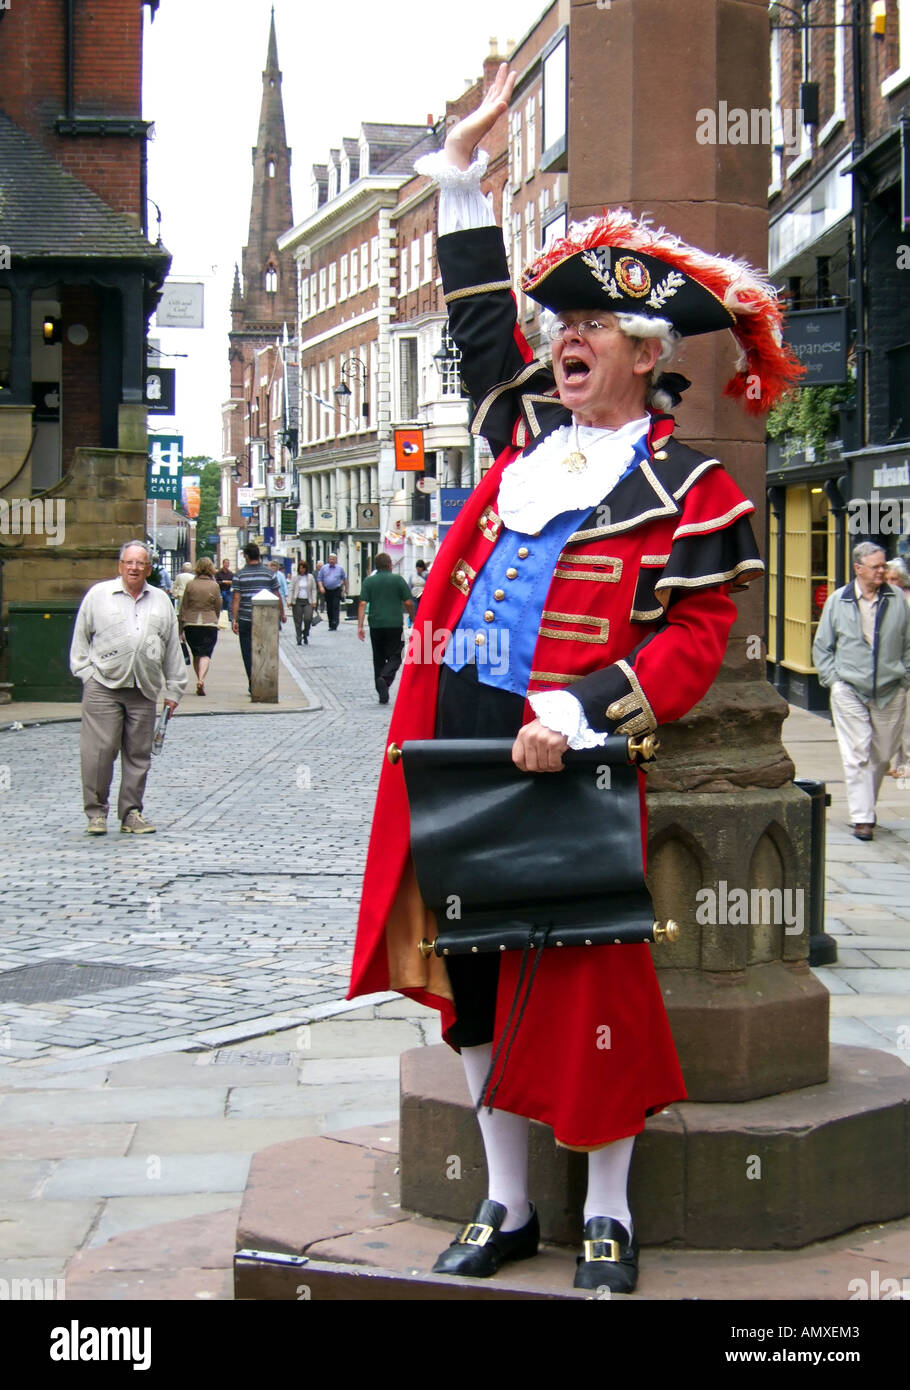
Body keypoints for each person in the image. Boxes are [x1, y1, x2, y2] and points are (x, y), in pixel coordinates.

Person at [347, 66, 802, 1293]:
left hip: (577, 754)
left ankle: (605, 1210)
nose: (563, 346)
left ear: (646, 354)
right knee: (480, 986)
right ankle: (503, 1204)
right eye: (559, 332)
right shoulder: (521, 445)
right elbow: (478, 323)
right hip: (463, 738)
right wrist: (459, 177)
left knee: (589, 985)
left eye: (590, 331)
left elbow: (692, 649)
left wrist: (581, 713)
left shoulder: (690, 491)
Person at [69, 540, 188, 834]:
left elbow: (172, 647)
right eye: (129, 562)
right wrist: (86, 673)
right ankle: (96, 814)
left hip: (144, 688)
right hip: (104, 686)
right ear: (120, 566)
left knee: (138, 755)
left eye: (141, 563)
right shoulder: (99, 595)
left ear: (148, 568)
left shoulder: (160, 600)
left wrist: (174, 689)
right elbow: (81, 637)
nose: (135, 568)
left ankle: (131, 813)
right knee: (99, 752)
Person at [813, 542, 910, 839]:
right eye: (876, 566)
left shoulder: (898, 601)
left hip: (891, 689)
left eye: (883, 566)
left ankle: (867, 807)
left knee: (881, 755)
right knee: (857, 753)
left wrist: (905, 677)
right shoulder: (838, 601)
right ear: (858, 569)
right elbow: (823, 646)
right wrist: (834, 681)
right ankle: (862, 818)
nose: (882, 571)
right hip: (849, 688)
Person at [357, 553, 414, 703]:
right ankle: (385, 678)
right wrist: (413, 617)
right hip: (394, 624)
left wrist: (360, 626)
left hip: (376, 624)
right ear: (390, 565)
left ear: (376, 566)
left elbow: (362, 604)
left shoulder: (369, 582)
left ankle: (381, 691)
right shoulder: (398, 580)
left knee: (379, 657)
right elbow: (408, 602)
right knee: (396, 654)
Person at [231, 542, 286, 690]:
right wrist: (282, 613)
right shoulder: (269, 574)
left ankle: (252, 680)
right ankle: (263, 680)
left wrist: (234, 619)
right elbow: (276, 594)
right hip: (266, 618)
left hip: (246, 618)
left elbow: (237, 598)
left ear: (247, 556)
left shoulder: (239, 575)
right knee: (265, 650)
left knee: (247, 652)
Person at [178, 557, 223, 695]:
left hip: (191, 623)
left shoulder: (190, 585)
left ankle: (199, 678)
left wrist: (180, 628)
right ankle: (202, 679)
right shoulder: (214, 586)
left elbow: (183, 606)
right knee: (206, 653)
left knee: (196, 654)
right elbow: (218, 606)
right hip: (209, 622)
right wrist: (216, 618)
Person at [289, 560, 317, 646]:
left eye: (303, 568)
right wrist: (289, 600)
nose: (302, 570)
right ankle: (299, 637)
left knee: (308, 619)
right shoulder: (295, 578)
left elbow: (313, 589)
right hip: (297, 601)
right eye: (300, 568)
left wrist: (314, 601)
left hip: (308, 601)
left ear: (306, 569)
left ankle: (305, 633)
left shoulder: (310, 577)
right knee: (298, 621)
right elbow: (291, 589)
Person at [317, 553, 347, 630]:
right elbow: (319, 579)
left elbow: (344, 578)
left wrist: (346, 589)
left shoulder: (340, 568)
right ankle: (330, 623)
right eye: (330, 559)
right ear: (328, 559)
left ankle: (335, 622)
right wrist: (321, 587)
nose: (331, 560)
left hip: (336, 590)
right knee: (329, 607)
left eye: (333, 559)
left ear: (336, 560)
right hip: (327, 590)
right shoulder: (324, 568)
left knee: (335, 606)